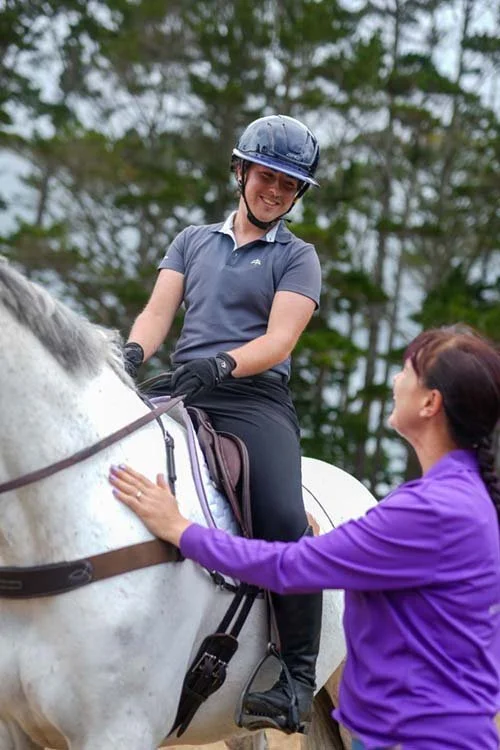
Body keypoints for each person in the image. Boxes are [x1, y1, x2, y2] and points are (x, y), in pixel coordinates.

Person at [111, 325, 500, 749]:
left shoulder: (429, 509)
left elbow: (288, 567)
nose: (395, 380)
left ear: (431, 402)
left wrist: (180, 529)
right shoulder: (458, 500)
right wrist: (318, 548)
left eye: (407, 371)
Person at [122, 114, 323, 732]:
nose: (275, 192)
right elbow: (159, 313)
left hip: (253, 399)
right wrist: (130, 355)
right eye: (267, 177)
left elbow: (281, 341)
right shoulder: (191, 240)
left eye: (289, 187)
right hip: (187, 387)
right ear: (241, 172)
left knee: (287, 519)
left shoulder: (298, 257)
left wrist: (223, 364)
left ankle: (295, 673)